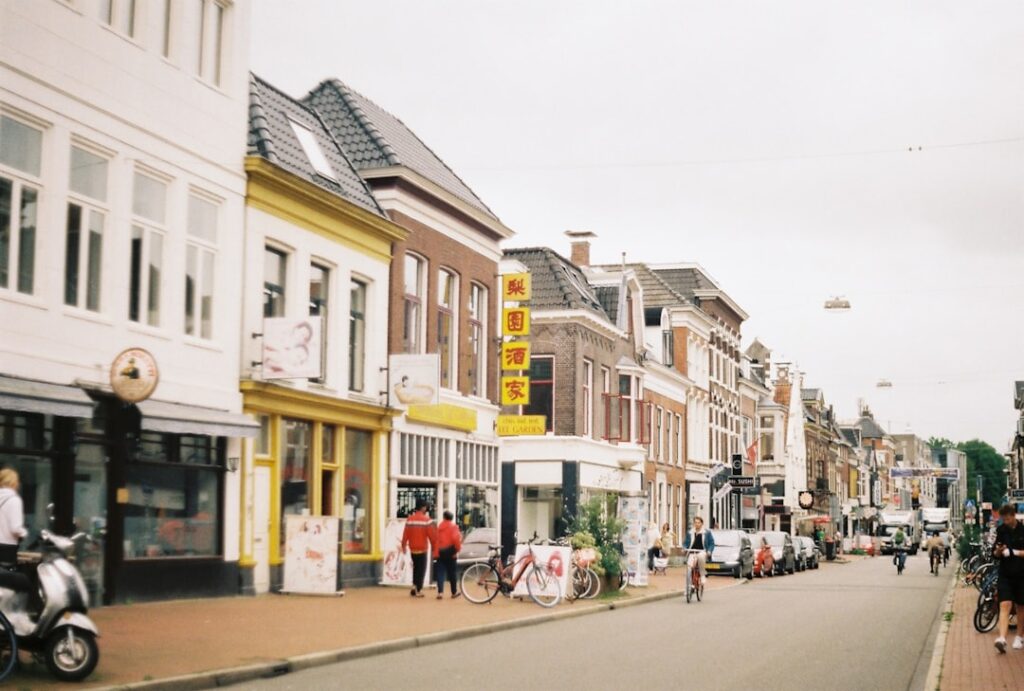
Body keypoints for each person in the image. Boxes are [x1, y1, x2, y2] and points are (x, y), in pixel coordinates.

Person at [993, 504, 1024, 653]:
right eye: (1003, 519)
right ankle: (1002, 639)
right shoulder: (1001, 531)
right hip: (1005, 573)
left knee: (1021, 607)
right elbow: (996, 553)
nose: (1005, 522)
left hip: (1022, 573)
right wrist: (998, 551)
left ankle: (1019, 636)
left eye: (1007, 519)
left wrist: (1013, 552)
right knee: (1004, 604)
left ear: (1013, 516)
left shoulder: (1023, 530)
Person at [401, 501, 437, 598]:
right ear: (423, 508)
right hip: (422, 549)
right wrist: (434, 547)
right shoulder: (427, 520)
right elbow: (432, 536)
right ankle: (418, 590)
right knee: (421, 570)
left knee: (416, 568)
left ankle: (414, 586)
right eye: (426, 507)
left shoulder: (410, 519)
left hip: (412, 549)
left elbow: (405, 534)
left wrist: (403, 545)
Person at [0, 468, 27, 566]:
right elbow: (15, 528)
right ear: (14, 482)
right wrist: (24, 533)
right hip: (6, 548)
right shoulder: (14, 500)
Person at [433, 510, 462, 600]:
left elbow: (436, 540)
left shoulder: (439, 527)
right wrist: (458, 549)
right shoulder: (454, 527)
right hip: (450, 553)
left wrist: (436, 552)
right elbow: (455, 538)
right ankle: (454, 592)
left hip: (440, 552)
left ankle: (440, 592)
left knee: (440, 573)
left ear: (444, 517)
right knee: (452, 573)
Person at [682, 516, 716, 585]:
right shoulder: (690, 532)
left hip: (702, 551)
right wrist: (684, 548)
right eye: (695, 522)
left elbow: (711, 543)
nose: (697, 524)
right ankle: (689, 586)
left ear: (701, 524)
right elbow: (685, 543)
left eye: (698, 523)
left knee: (700, 556)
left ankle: (702, 575)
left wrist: (709, 551)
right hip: (692, 551)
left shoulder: (707, 533)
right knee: (689, 567)